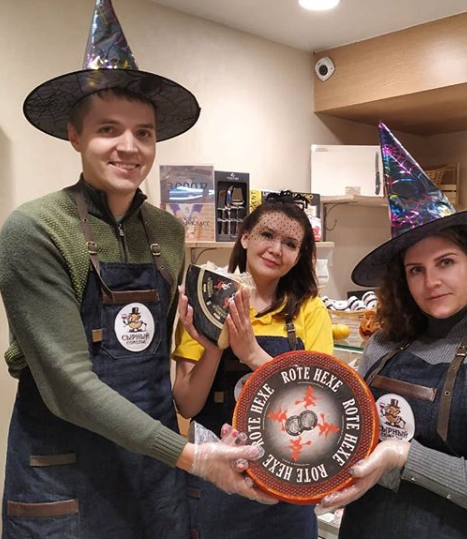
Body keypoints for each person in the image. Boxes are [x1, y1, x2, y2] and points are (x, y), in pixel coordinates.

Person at [0, 2, 273, 538]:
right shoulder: (34, 230)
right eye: (108, 129)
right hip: (65, 470)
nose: (129, 147)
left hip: (152, 473)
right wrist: (193, 456)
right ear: (74, 135)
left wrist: (209, 348)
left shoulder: (167, 232)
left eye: (143, 133)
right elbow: (71, 387)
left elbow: (156, 363)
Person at [319, 122, 467, 539]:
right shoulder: (385, 344)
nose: (432, 282)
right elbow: (352, 438)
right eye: (416, 270)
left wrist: (402, 455)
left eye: (446, 262)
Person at [173, 191, 334, 539]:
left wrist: (251, 354)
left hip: (289, 483)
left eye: (290, 244)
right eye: (267, 235)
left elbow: (321, 407)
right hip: (216, 479)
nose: (276, 249)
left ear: (299, 256)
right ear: (245, 237)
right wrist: (213, 348)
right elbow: (187, 404)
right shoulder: (205, 302)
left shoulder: (310, 310)